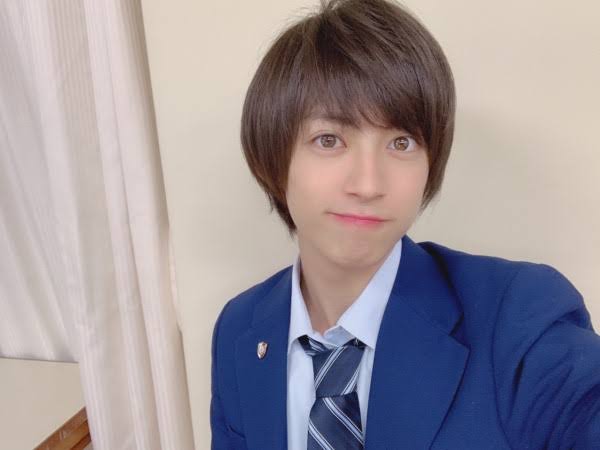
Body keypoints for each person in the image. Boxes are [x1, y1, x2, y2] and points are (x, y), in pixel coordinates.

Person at [210, 0, 600, 448]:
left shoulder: (519, 315)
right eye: (329, 139)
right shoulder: (241, 329)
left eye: (401, 142)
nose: (368, 184)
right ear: (272, 160)